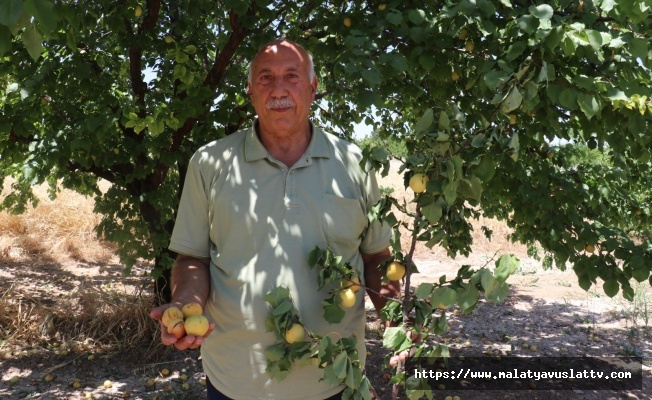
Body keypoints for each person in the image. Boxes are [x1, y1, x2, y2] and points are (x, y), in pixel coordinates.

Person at [150, 39, 401, 400]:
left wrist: (400, 326)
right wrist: (183, 303)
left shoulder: (355, 165)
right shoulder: (209, 163)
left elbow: (377, 258)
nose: (279, 89)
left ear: (314, 88)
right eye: (265, 78)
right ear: (250, 91)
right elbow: (193, 258)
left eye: (292, 76)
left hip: (336, 380)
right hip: (235, 381)